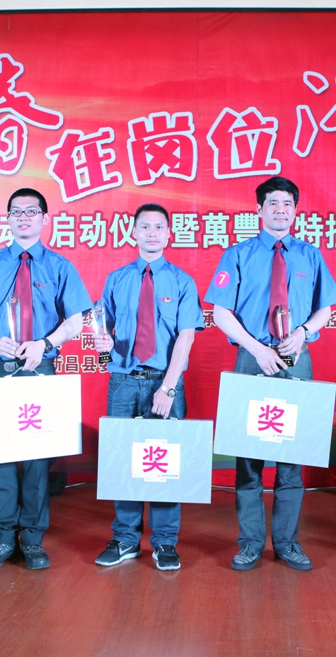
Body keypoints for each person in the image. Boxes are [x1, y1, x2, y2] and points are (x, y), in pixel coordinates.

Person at [205, 176, 336, 572]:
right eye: (273, 203)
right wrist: (256, 348)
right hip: (252, 359)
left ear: (295, 210)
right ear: (259, 210)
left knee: (292, 456)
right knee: (248, 458)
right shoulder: (238, 254)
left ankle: (287, 543)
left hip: (296, 358)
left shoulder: (309, 255)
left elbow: (325, 308)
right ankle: (250, 544)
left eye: (287, 204)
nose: (281, 210)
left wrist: (303, 332)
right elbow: (220, 312)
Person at [0, 187, 92, 571]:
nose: (24, 217)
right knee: (0, 458)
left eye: (32, 211)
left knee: (36, 460)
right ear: (8, 219)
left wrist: (45, 344)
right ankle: (2, 539)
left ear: (45, 219)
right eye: (16, 211)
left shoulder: (60, 266)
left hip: (39, 369)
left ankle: (32, 539)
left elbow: (77, 318)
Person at [92, 203, 204, 571]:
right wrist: (103, 345)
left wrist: (168, 388)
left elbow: (186, 336)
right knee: (123, 462)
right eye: (145, 226)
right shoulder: (117, 279)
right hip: (123, 383)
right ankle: (125, 539)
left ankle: (165, 542)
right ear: (134, 232)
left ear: (169, 234)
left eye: (159, 227)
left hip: (164, 383)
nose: (152, 233)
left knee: (164, 464)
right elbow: (103, 330)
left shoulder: (182, 281)